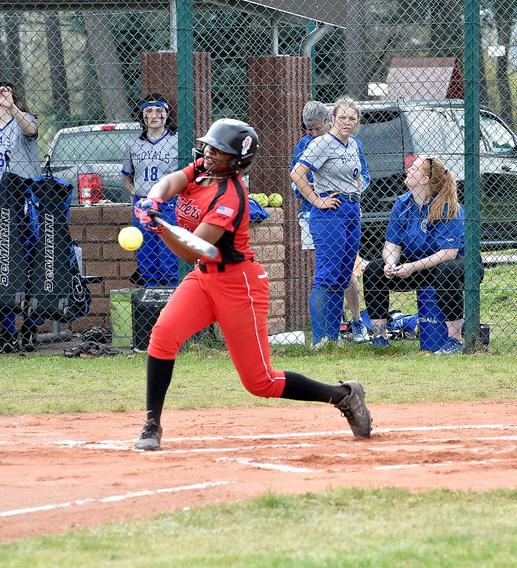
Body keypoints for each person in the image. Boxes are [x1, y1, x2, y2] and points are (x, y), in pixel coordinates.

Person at [132, 118, 371, 451]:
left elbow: (193, 249)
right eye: (210, 147)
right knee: (162, 336)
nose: (210, 153)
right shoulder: (204, 168)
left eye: (219, 151)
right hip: (204, 279)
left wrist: (160, 227)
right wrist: (152, 200)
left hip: (238, 284)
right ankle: (152, 424)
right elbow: (171, 181)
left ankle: (344, 396)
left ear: (237, 160)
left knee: (261, 382)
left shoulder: (230, 196)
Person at [362, 155, 472, 354]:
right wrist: (390, 262)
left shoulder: (447, 205)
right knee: (374, 269)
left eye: (414, 168)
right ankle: (379, 337)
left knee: (446, 270)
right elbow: (391, 244)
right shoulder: (402, 203)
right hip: (418, 265)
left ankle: (454, 341)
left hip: (456, 265)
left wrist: (412, 267)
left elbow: (448, 253)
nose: (408, 169)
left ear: (425, 180)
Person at [291, 100, 370, 344]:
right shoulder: (321, 143)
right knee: (327, 274)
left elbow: (361, 176)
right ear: (332, 118)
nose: (347, 122)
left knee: (343, 273)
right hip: (329, 213)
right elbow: (297, 174)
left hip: (351, 210)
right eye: (343, 117)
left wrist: (353, 194)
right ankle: (320, 339)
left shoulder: (354, 144)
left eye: (352, 118)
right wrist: (317, 200)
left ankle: (333, 337)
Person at [122, 93, 180, 287]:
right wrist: (133, 191)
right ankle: (151, 300)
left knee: (168, 254)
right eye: (148, 111)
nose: (153, 115)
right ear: (143, 115)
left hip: (169, 203)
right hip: (143, 203)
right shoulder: (133, 144)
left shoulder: (177, 141)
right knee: (146, 254)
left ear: (166, 114)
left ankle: (172, 298)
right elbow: (127, 175)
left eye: (158, 111)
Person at [0, 81, 40, 352]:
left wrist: (11, 107)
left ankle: (29, 328)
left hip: (23, 195)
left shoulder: (22, 119)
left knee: (30, 261)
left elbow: (32, 130)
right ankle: (6, 331)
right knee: (3, 265)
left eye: (6, 90)